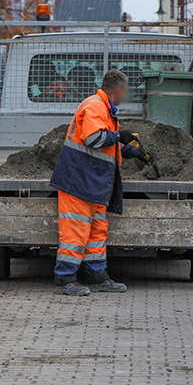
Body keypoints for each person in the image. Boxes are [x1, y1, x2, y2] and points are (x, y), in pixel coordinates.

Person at [49, 69, 144, 296]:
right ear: (118, 89)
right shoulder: (94, 106)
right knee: (75, 233)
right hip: (80, 182)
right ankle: (64, 280)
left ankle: (97, 276)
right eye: (126, 89)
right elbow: (93, 138)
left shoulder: (104, 109)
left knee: (96, 233)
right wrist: (119, 136)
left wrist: (130, 150)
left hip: (92, 183)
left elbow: (105, 142)